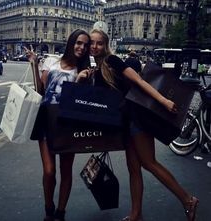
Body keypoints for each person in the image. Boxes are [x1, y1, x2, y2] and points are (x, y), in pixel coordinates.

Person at [85, 29, 198, 221]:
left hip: (136, 119)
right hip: (125, 124)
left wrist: (163, 101)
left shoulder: (112, 61)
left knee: (149, 163)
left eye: (99, 43)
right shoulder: (97, 68)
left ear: (106, 45)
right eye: (92, 43)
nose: (95, 47)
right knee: (133, 169)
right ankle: (136, 214)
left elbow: (139, 81)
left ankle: (188, 199)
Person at [25, 29, 91, 221]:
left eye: (85, 45)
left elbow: (80, 103)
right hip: (46, 120)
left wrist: (79, 81)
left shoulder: (84, 70)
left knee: (66, 170)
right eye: (79, 43)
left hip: (68, 124)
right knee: (49, 171)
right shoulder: (51, 62)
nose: (82, 47)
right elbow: (40, 89)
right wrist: (34, 64)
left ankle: (60, 212)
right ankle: (49, 207)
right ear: (71, 42)